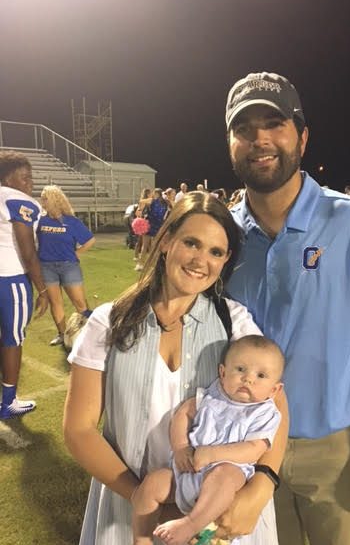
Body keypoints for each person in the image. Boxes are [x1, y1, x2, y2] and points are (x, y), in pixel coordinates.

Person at [224, 72, 350, 545]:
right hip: (242, 445)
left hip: (334, 451)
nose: (260, 139)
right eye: (245, 128)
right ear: (230, 143)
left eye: (275, 123)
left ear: (302, 137)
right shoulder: (220, 234)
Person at [63, 191, 288, 545]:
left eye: (216, 252)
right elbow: (78, 430)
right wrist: (143, 498)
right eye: (191, 243)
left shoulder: (235, 323)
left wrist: (259, 488)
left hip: (216, 512)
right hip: (131, 509)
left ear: (226, 259)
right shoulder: (110, 321)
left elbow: (274, 406)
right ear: (166, 240)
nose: (201, 260)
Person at [131, 335, 284, 545]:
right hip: (188, 472)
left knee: (226, 474)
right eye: (240, 369)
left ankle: (191, 525)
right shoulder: (212, 396)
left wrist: (214, 454)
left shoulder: (264, 413)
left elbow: (253, 450)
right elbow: (183, 414)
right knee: (152, 484)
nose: (248, 379)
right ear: (222, 373)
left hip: (225, 481)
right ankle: (141, 538)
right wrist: (181, 448)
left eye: (261, 375)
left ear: (274, 390)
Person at [0, 150, 49, 419]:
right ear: (8, 179)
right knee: (12, 339)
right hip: (10, 278)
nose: (30, 184)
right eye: (25, 178)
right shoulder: (17, 199)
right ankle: (8, 401)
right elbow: (28, 251)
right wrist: (41, 289)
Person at [37, 185, 95, 346]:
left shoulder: (71, 221)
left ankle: (91, 334)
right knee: (56, 303)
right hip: (46, 267)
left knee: (80, 303)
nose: (42, 202)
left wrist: (77, 252)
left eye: (45, 199)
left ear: (55, 200)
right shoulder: (40, 220)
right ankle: (62, 334)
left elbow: (90, 240)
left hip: (69, 266)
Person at [135, 189, 169, 272]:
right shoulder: (166, 202)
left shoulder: (152, 201)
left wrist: (140, 209)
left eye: (154, 193)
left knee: (145, 246)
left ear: (156, 193)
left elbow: (141, 201)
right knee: (155, 246)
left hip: (150, 225)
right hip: (159, 225)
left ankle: (140, 264)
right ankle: (154, 265)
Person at [133, 188, 153, 262]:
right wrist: (140, 213)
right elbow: (137, 213)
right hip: (142, 224)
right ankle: (136, 256)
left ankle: (149, 258)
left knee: (147, 242)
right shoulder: (143, 202)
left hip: (148, 223)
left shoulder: (149, 201)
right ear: (148, 194)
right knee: (140, 241)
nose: (152, 194)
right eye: (151, 193)